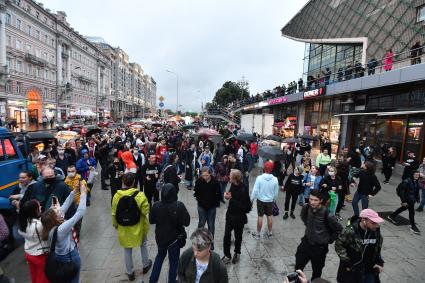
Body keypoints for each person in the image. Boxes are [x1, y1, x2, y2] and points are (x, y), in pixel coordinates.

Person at [41, 180, 87, 283]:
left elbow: (64, 207)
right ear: (54, 218)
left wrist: (74, 191)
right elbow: (79, 213)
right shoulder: (61, 229)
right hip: (70, 258)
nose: (59, 210)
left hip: (59, 257)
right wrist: (83, 194)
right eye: (55, 210)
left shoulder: (48, 226)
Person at [295, 189, 343, 281]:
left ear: (321, 200)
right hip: (306, 244)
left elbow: (339, 229)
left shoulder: (327, 214)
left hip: (319, 249)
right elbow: (304, 218)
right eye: (311, 199)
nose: (312, 202)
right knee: (298, 269)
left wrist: (329, 239)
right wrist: (310, 228)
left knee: (317, 273)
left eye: (315, 200)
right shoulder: (306, 207)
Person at [112, 173, 152, 281]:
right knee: (143, 244)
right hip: (138, 226)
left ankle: (130, 272)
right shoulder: (140, 195)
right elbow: (145, 210)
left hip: (124, 228)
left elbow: (114, 213)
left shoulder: (116, 196)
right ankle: (145, 265)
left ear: (123, 182)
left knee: (127, 249)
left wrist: (115, 225)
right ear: (134, 182)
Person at [149, 183, 190, 283]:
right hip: (174, 239)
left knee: (159, 258)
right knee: (174, 262)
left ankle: (153, 280)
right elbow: (187, 222)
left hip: (160, 238)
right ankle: (172, 281)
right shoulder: (178, 205)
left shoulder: (156, 205)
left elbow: (151, 220)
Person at [335, 209, 384, 283]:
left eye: (377, 223)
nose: (377, 226)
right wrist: (347, 262)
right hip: (353, 271)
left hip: (369, 271)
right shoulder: (350, 231)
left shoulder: (376, 232)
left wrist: (379, 262)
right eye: (373, 223)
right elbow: (339, 245)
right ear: (364, 220)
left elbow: (377, 248)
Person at [221, 169, 251, 264]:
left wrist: (231, 199)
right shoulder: (233, 184)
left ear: (235, 178)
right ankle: (227, 255)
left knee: (238, 237)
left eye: (230, 175)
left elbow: (245, 207)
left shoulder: (243, 189)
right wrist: (227, 196)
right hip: (230, 215)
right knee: (226, 236)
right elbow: (231, 194)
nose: (229, 176)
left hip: (239, 218)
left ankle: (237, 253)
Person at [18, 200, 50, 283]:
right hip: (39, 255)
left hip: (29, 254)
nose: (41, 207)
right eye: (39, 207)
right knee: (43, 278)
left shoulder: (24, 222)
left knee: (34, 276)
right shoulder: (38, 226)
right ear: (35, 211)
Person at [250, 161, 279, 239]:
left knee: (260, 216)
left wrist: (251, 199)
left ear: (264, 168)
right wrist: (274, 200)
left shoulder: (259, 178)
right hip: (270, 201)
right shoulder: (275, 179)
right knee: (269, 216)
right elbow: (276, 192)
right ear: (272, 169)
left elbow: (255, 190)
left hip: (260, 200)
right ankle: (270, 233)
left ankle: (258, 234)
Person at [194, 166, 221, 249]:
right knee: (201, 223)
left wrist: (215, 203)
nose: (204, 177)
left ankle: (210, 242)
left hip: (211, 207)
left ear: (210, 174)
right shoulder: (199, 181)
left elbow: (219, 194)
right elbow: (196, 192)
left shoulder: (215, 182)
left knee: (211, 225)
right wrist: (199, 200)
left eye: (206, 175)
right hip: (201, 206)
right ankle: (199, 240)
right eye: (203, 175)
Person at [64, 165, 88, 237]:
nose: (71, 172)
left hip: (78, 203)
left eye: (72, 171)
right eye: (69, 171)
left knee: (77, 221)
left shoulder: (81, 180)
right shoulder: (65, 181)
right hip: (68, 204)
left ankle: (77, 235)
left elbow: (84, 191)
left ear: (76, 171)